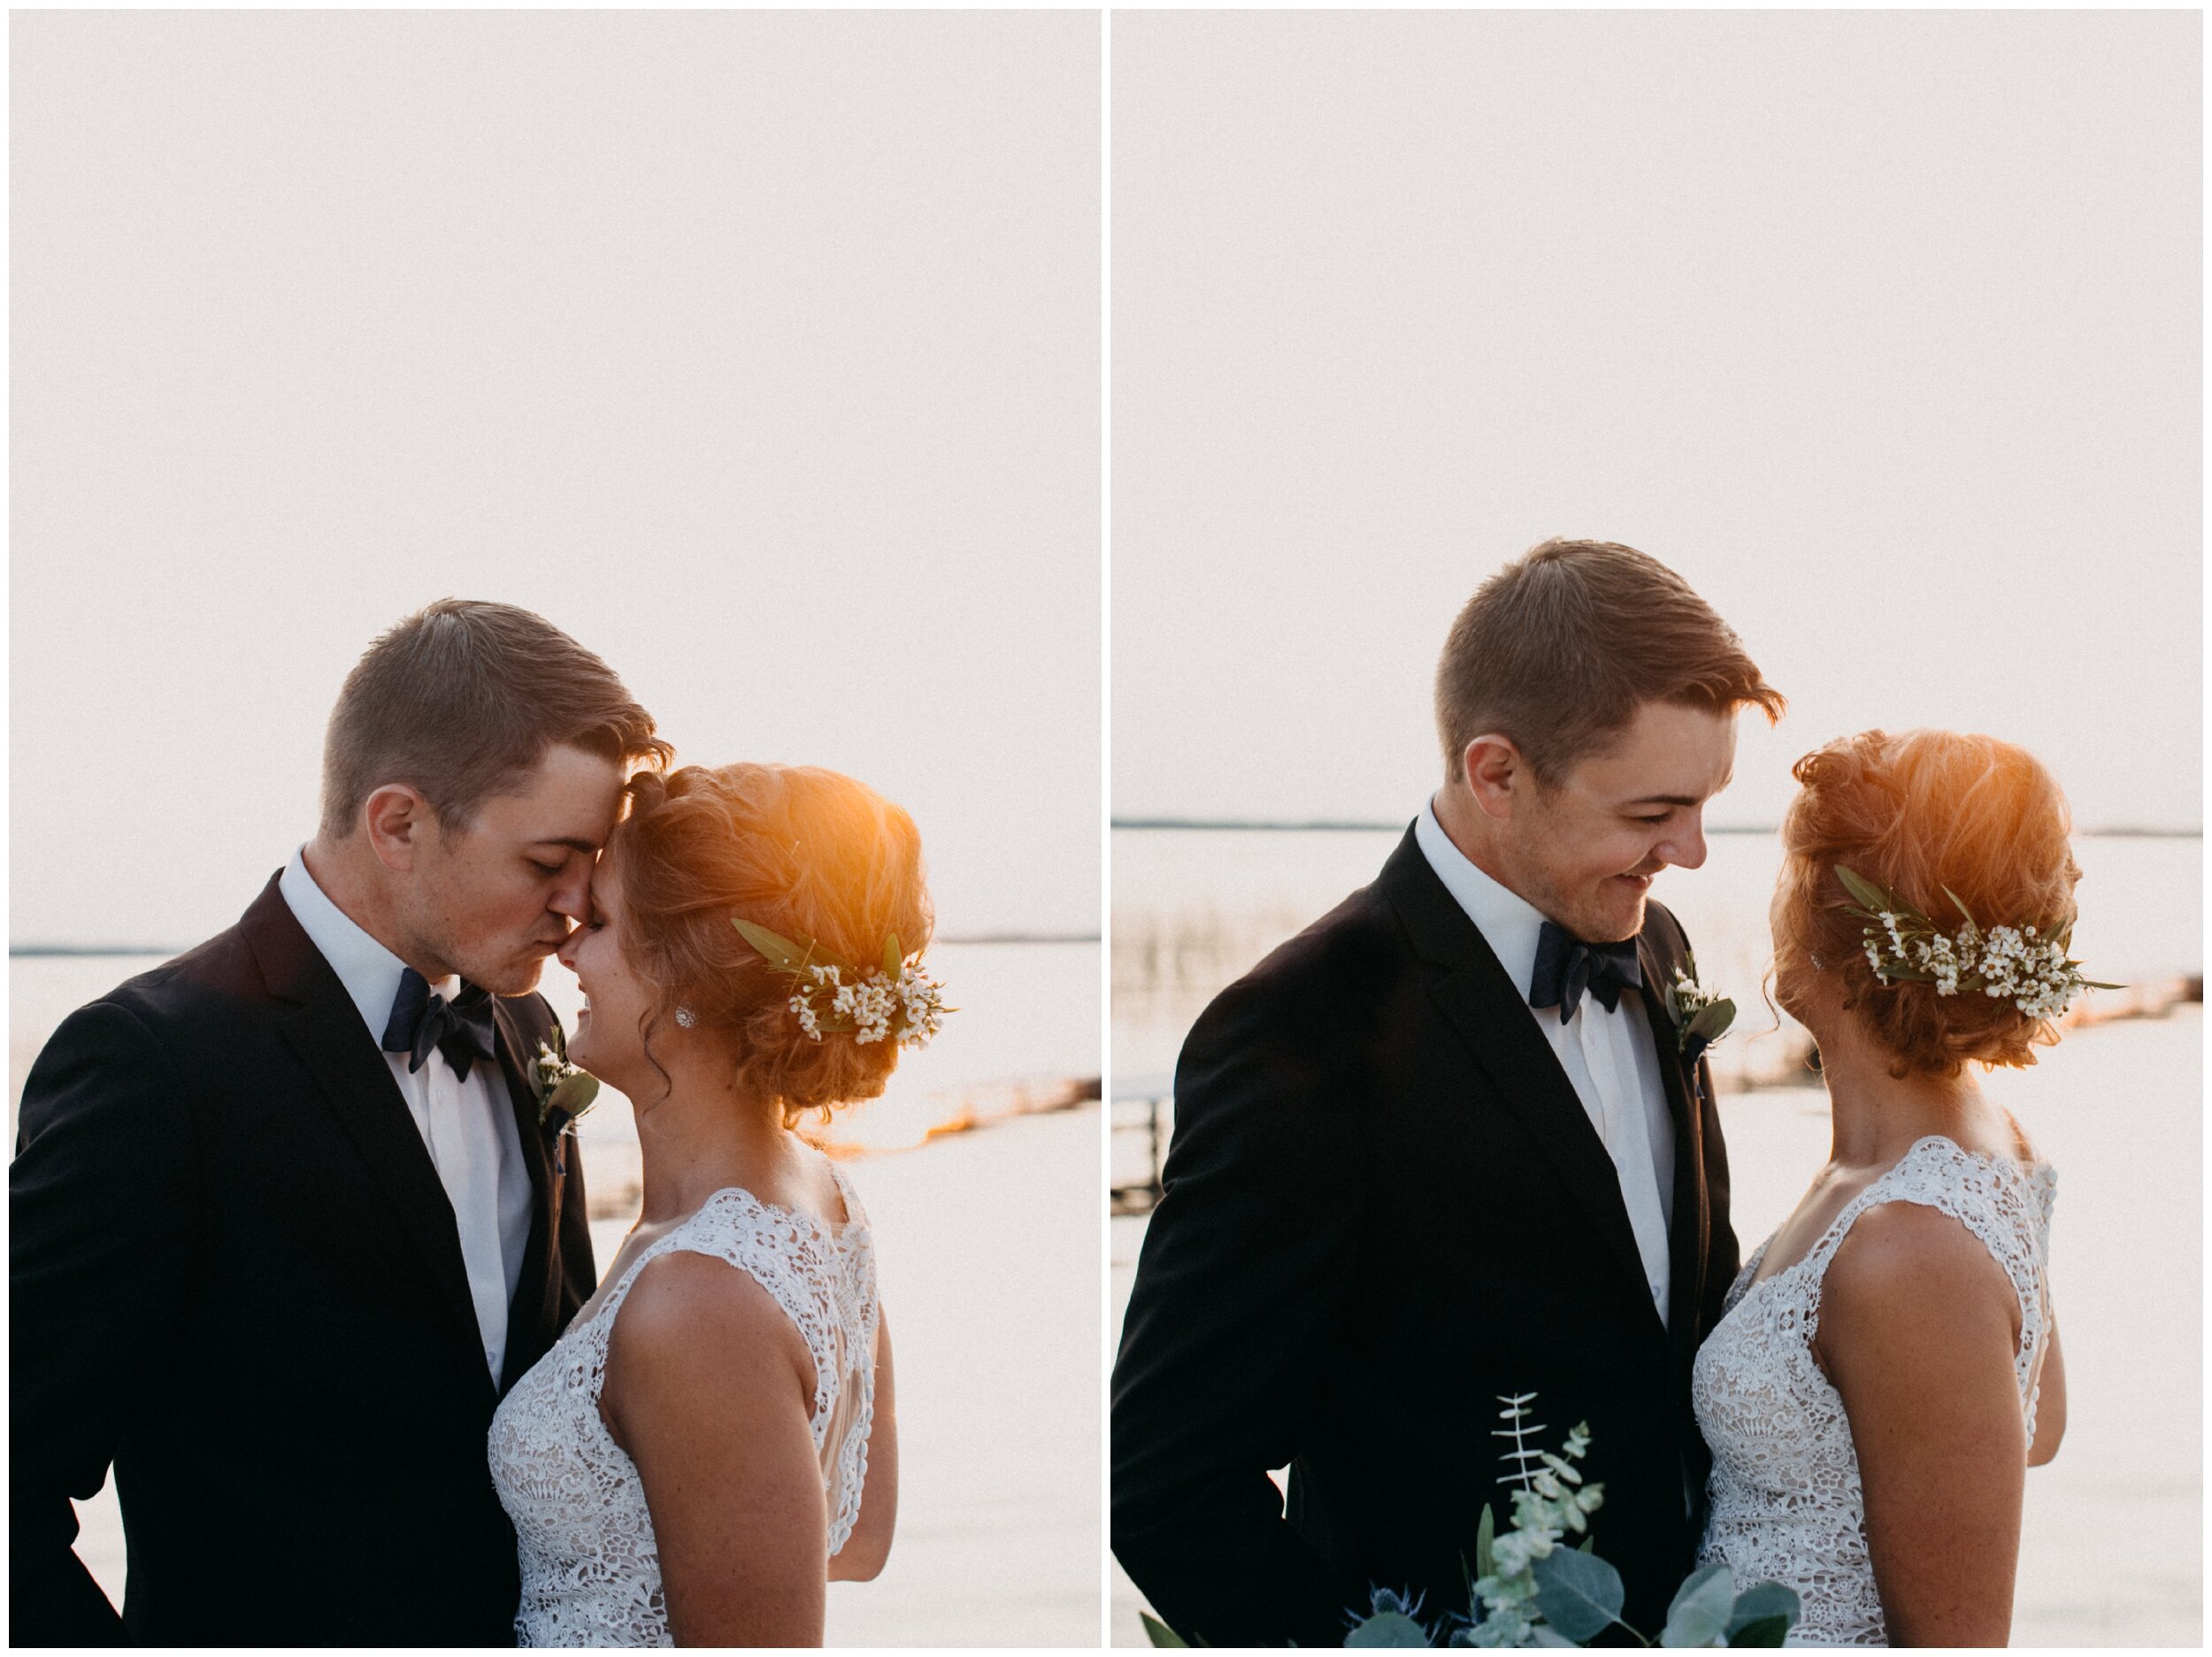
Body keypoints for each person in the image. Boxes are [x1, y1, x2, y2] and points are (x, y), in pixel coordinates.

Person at [1112, 538, 1786, 1645]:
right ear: (1496, 772)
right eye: (1651, 812)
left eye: (1706, 803)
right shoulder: (1293, 1027)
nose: (1693, 851)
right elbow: (1167, 1483)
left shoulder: (1653, 943)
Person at [10, 599, 669, 1645]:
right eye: (549, 863)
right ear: (398, 822)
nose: (580, 907)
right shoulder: (150, 1064)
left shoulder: (529, 1029)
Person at [489, 763, 938, 1646]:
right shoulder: (825, 1195)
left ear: (691, 981)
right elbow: (858, 1537)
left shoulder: (699, 1301)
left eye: (604, 922)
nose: (568, 948)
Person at [1693, 729, 2070, 1646]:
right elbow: (2037, 1423)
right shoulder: (1975, 1138)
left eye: (1790, 868)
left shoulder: (1909, 1246)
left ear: (1843, 926)